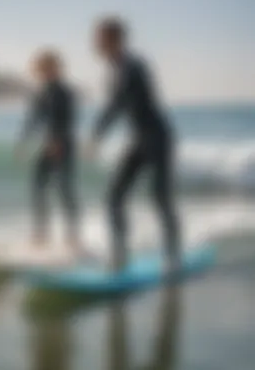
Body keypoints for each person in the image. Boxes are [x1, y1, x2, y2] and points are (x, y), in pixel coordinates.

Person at [88, 17, 181, 272]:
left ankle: (172, 256)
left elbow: (117, 103)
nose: (94, 43)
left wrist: (96, 134)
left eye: (99, 38)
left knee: (160, 198)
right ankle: (121, 254)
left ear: (114, 40)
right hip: (139, 139)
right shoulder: (115, 68)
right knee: (114, 196)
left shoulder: (132, 66)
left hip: (158, 138)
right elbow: (117, 104)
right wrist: (98, 133)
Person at [16, 49, 80, 254]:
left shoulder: (65, 92)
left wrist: (58, 140)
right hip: (48, 145)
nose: (41, 73)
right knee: (38, 185)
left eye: (44, 69)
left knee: (64, 188)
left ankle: (72, 235)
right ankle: (41, 233)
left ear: (54, 68)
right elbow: (33, 118)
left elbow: (69, 119)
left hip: (63, 145)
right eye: (39, 70)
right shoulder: (42, 92)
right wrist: (23, 140)